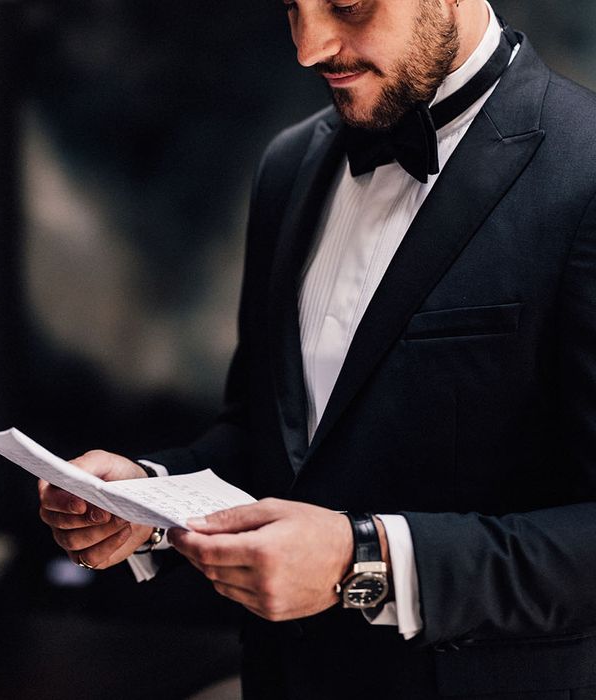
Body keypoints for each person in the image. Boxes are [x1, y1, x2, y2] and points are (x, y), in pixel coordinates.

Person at [38, 0, 596, 697]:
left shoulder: (586, 169)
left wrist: (364, 560)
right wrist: (148, 498)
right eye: (292, 9)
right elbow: (264, 441)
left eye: (348, 6)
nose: (309, 48)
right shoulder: (288, 166)